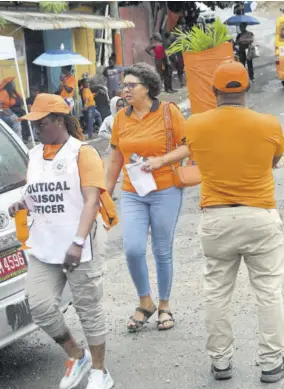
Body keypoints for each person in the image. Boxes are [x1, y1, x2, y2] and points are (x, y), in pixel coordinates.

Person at [185, 61, 284, 384]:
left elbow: (197, 160)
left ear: (213, 91)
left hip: (216, 219)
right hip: (259, 217)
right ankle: (271, 364)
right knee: (269, 292)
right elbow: (273, 162)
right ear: (248, 87)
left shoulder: (196, 125)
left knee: (216, 293)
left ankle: (221, 362)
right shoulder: (269, 124)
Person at [9, 93, 114, 389]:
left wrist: (78, 242)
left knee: (88, 308)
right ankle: (76, 356)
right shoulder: (34, 155)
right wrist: (22, 204)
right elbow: (39, 193)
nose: (36, 129)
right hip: (45, 246)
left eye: (41, 123)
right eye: (34, 124)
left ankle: (99, 370)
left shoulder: (82, 153)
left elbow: (92, 201)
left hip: (79, 245)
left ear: (58, 121)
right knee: (40, 305)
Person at [106, 63, 189, 332]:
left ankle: (164, 305)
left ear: (148, 88)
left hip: (166, 189)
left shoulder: (168, 112)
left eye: (131, 85)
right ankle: (145, 302)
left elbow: (189, 146)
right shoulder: (120, 118)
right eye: (124, 85)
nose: (125, 90)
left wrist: (161, 160)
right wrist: (106, 191)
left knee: (162, 250)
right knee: (132, 249)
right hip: (133, 192)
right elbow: (116, 156)